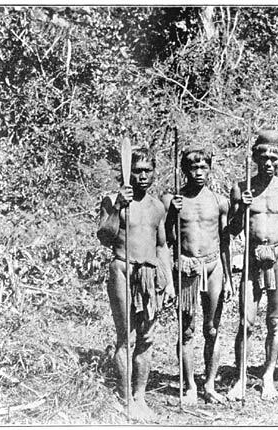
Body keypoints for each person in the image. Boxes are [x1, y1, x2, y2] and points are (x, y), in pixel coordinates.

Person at [225, 130, 278, 401]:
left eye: (274, 158)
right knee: (245, 321)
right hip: (252, 258)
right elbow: (232, 229)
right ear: (255, 158)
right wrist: (241, 208)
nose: (269, 163)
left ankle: (268, 376)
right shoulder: (241, 188)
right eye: (263, 157)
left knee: (274, 320)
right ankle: (240, 377)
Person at [97, 147, 174, 420]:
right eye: (137, 171)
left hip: (149, 274)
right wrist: (118, 207)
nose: (142, 176)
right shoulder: (112, 199)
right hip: (122, 269)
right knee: (126, 336)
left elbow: (163, 245)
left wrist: (169, 280)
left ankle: (140, 397)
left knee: (147, 338)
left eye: (147, 171)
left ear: (154, 173)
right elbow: (104, 236)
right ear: (127, 172)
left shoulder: (157, 206)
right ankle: (126, 397)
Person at [162, 147, 233, 405]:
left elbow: (225, 241)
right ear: (184, 169)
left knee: (212, 329)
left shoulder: (219, 201)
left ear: (210, 168)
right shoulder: (173, 199)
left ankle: (210, 384)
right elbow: (167, 239)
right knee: (187, 330)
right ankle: (190, 385)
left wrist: (229, 280)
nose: (199, 172)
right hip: (187, 268)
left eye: (204, 167)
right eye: (194, 168)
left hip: (214, 266)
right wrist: (172, 213)